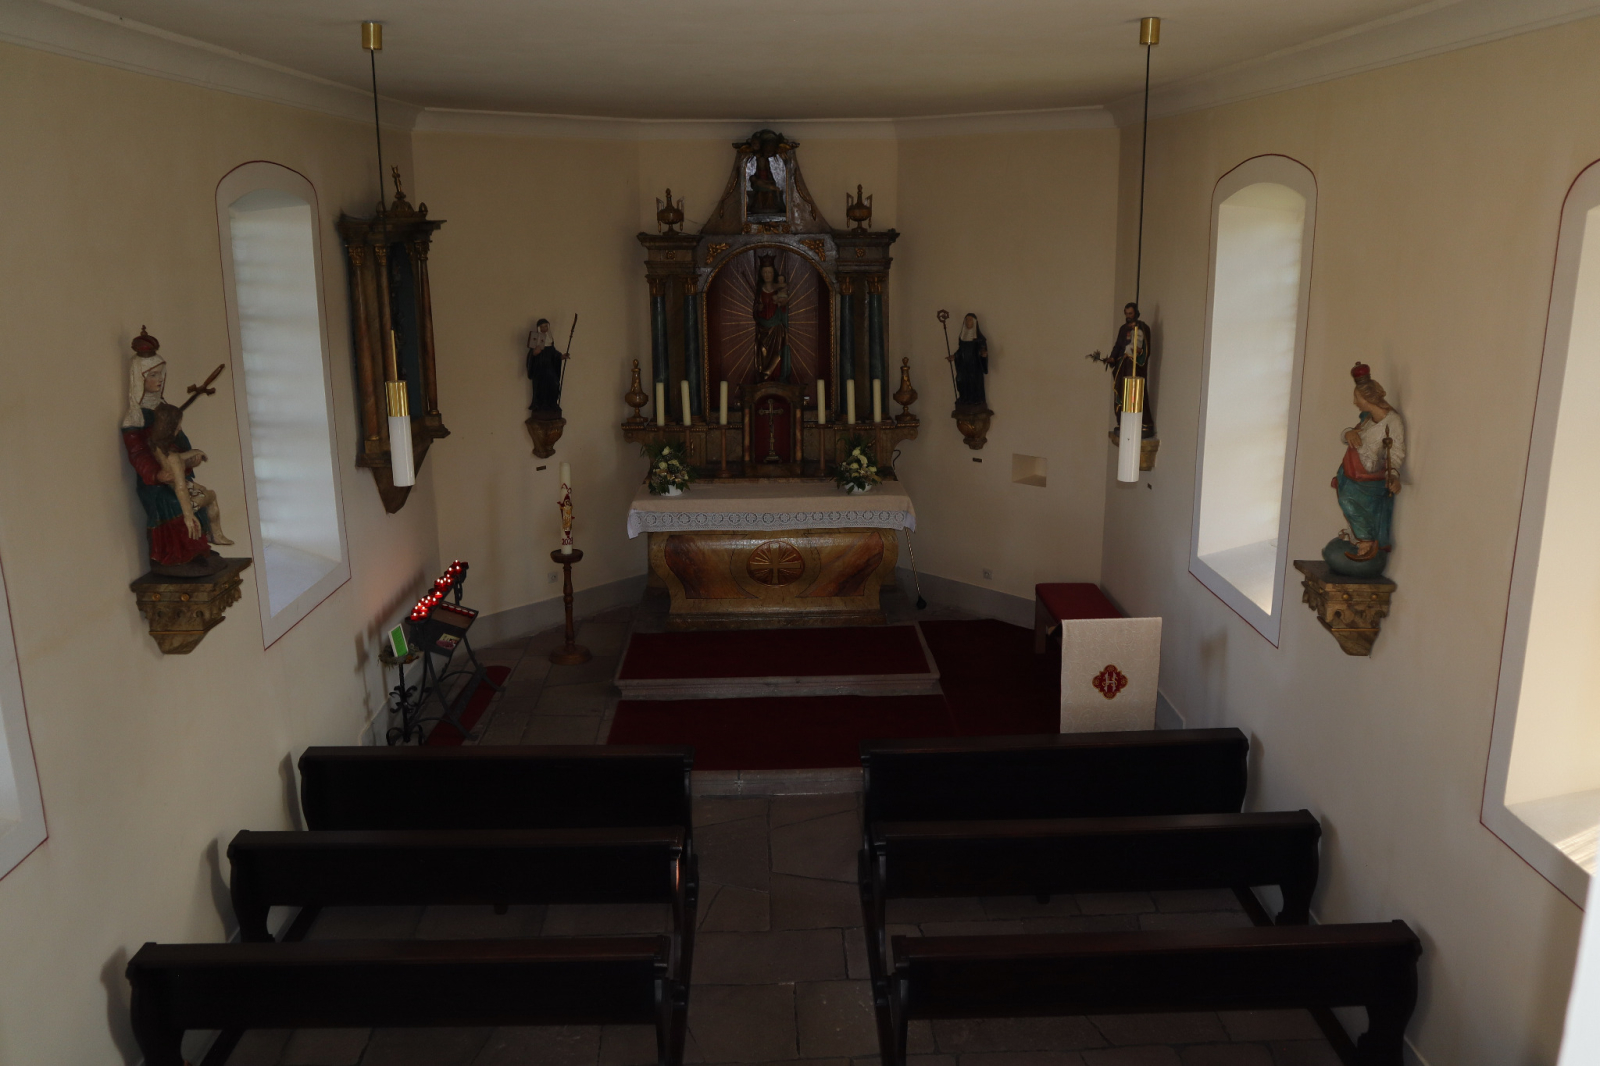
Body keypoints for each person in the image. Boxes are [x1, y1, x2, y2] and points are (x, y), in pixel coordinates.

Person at [120, 329, 226, 576]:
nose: (159, 380)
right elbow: (137, 453)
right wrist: (157, 474)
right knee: (173, 504)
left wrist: (191, 458)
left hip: (175, 471)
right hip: (154, 484)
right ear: (139, 378)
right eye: (153, 375)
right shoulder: (134, 418)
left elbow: (180, 441)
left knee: (198, 498)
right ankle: (174, 556)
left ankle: (198, 551)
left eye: (161, 374)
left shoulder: (164, 408)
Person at [1330, 362, 1405, 562]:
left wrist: (1393, 476)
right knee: (1349, 504)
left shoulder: (1392, 422)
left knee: (1350, 503)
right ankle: (1357, 538)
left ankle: (1366, 542)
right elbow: (1348, 435)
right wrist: (1349, 433)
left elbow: (1396, 453)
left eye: (1357, 398)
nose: (1355, 402)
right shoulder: (1367, 418)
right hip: (1353, 475)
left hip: (1369, 480)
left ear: (1368, 398)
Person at [1106, 302, 1154, 438]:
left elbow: (1146, 349)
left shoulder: (1143, 328)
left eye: (1131, 313)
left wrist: (1139, 352)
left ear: (1136, 313)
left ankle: (1144, 423)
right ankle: (1123, 422)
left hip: (1135, 366)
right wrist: (1112, 358)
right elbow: (1118, 346)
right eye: (1126, 314)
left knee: (1137, 393)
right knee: (1122, 392)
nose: (1128, 316)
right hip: (1123, 365)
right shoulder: (1123, 329)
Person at [753, 258, 791, 381]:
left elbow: (784, 308)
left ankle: (777, 377)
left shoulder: (778, 289)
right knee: (763, 352)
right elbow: (755, 312)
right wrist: (758, 308)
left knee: (777, 352)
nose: (767, 275)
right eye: (764, 272)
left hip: (776, 328)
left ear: (773, 273)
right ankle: (765, 377)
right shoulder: (759, 290)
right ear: (761, 274)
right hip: (763, 328)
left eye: (769, 272)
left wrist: (782, 304)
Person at [526, 318, 567, 418]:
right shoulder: (535, 341)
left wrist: (561, 356)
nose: (544, 328)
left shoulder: (550, 340)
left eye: (546, 326)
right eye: (542, 327)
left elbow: (554, 353)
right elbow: (531, 356)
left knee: (554, 383)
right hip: (540, 369)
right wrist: (534, 353)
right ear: (539, 328)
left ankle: (552, 404)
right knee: (541, 386)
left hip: (549, 368)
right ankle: (541, 405)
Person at [947, 313, 988, 410]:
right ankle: (964, 398)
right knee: (960, 380)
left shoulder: (980, 338)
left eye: (970, 319)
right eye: (966, 319)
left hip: (974, 365)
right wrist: (955, 356)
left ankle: (975, 400)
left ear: (974, 322)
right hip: (964, 365)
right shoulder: (962, 337)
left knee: (973, 382)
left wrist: (983, 353)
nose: (967, 322)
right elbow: (960, 350)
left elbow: (982, 348)